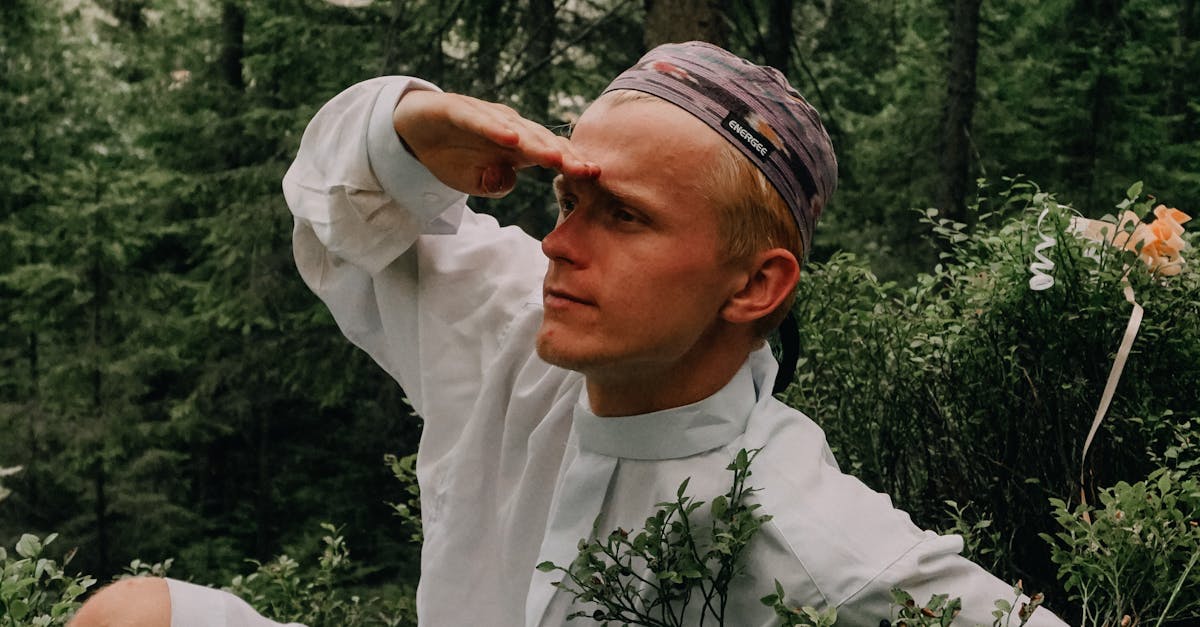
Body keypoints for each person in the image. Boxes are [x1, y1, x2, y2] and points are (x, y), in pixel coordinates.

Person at [71, 42, 1065, 627]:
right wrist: (411, 125)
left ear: (756, 284)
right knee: (134, 614)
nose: (558, 244)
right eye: (567, 200)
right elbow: (344, 211)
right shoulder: (516, 328)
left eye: (622, 215)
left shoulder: (814, 540)